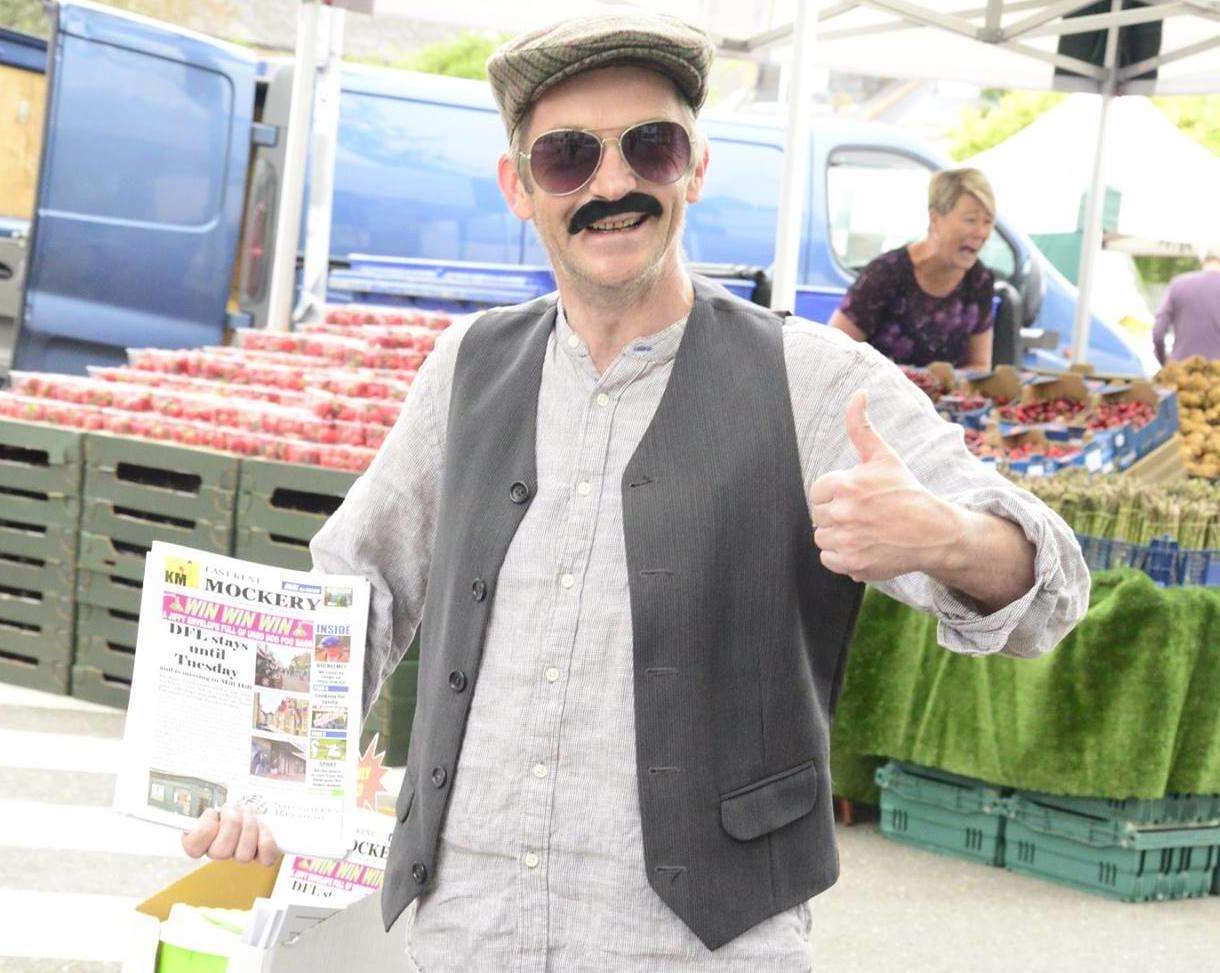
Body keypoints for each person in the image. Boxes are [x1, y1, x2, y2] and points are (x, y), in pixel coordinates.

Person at [184, 11, 1090, 969]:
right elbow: (352, 592)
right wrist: (268, 783)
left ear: (694, 167)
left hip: (696, 946)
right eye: (568, 157)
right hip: (467, 931)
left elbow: (1052, 592)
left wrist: (945, 537)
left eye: (647, 147)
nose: (610, 184)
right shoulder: (468, 366)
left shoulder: (815, 380)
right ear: (520, 188)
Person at [828, 168, 997, 371]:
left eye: (987, 222)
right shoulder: (885, 274)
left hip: (947, 402)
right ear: (935, 219)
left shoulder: (979, 281)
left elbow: (978, 366)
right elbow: (833, 354)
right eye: (971, 220)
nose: (981, 232)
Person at [1152, 244, 1220, 364]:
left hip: (1183, 370)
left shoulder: (1178, 284)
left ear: (1203, 260)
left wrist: (1165, 362)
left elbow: (1158, 333)